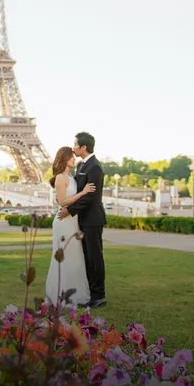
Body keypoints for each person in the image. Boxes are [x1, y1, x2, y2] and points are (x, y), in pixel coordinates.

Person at [58, 132, 107, 309]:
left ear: (83, 147)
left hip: (92, 220)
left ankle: (99, 295)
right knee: (87, 258)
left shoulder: (94, 167)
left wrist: (69, 211)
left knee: (95, 258)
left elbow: (89, 198)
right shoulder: (82, 165)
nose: (73, 148)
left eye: (75, 145)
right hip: (84, 220)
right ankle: (92, 293)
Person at [45, 146, 96, 308]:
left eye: (74, 157)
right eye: (71, 157)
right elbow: (62, 202)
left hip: (72, 222)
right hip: (64, 223)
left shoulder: (70, 177)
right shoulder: (61, 178)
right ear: (64, 158)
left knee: (75, 258)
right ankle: (61, 295)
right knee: (64, 258)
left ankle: (74, 294)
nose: (74, 159)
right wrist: (83, 193)